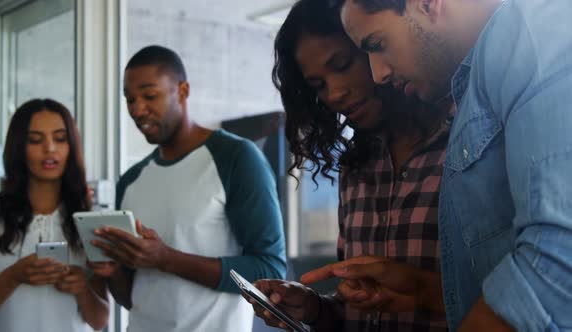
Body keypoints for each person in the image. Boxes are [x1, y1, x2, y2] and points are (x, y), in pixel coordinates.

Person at [307, 0, 572, 330]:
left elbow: (559, 257)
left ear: (427, 4)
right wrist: (422, 288)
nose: (378, 74)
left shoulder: (536, 35)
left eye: (377, 45)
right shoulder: (477, 83)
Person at [247, 0, 450, 330]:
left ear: (374, 46)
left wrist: (423, 287)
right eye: (319, 86)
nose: (335, 94)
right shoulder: (356, 168)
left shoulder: (465, 145)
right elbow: (358, 312)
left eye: (342, 65)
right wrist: (313, 307)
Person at [89, 45, 287, 332]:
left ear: (182, 90)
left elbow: (269, 269)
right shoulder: (131, 180)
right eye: (130, 99)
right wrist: (113, 272)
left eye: (149, 95)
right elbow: (134, 298)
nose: (137, 109)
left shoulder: (236, 158)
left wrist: (167, 259)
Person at [0, 99, 109, 331]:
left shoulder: (90, 220)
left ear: (71, 146)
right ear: (19, 148)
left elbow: (100, 320)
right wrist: (13, 276)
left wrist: (82, 288)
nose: (49, 148)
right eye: (35, 140)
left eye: (60, 139)